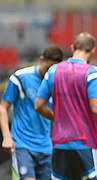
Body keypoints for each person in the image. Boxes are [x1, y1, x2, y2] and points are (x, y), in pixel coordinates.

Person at [34, 32, 97, 179]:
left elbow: (38, 105)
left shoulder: (53, 71)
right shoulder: (93, 73)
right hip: (84, 143)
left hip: (60, 143)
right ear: (93, 50)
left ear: (72, 47)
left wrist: (56, 119)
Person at [0, 45, 63, 180]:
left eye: (53, 70)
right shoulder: (20, 78)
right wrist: (7, 136)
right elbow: (3, 107)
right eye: (47, 68)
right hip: (22, 145)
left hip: (46, 147)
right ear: (41, 60)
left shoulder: (57, 82)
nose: (49, 73)